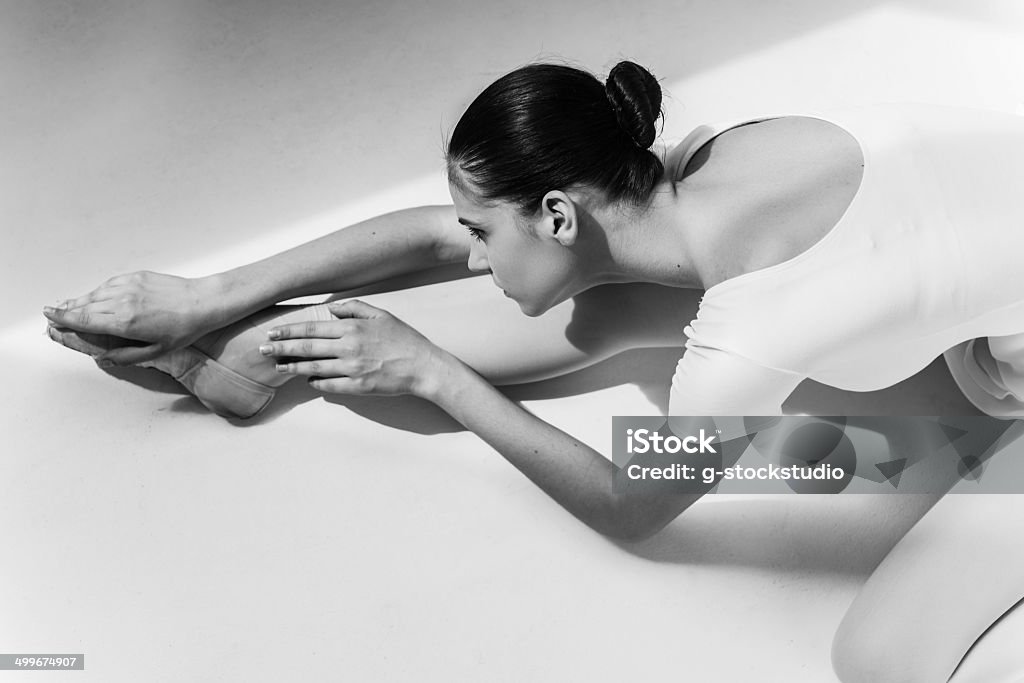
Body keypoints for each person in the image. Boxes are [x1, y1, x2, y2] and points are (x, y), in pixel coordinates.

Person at [43, 60, 1024, 682]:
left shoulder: (752, 324)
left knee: (881, 657)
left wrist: (433, 372)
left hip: (989, 390)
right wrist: (216, 292)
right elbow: (448, 234)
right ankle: (256, 359)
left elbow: (629, 504)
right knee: (610, 309)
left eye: (485, 233)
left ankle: (962, 459)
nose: (470, 254)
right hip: (989, 346)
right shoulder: (714, 164)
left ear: (558, 213)